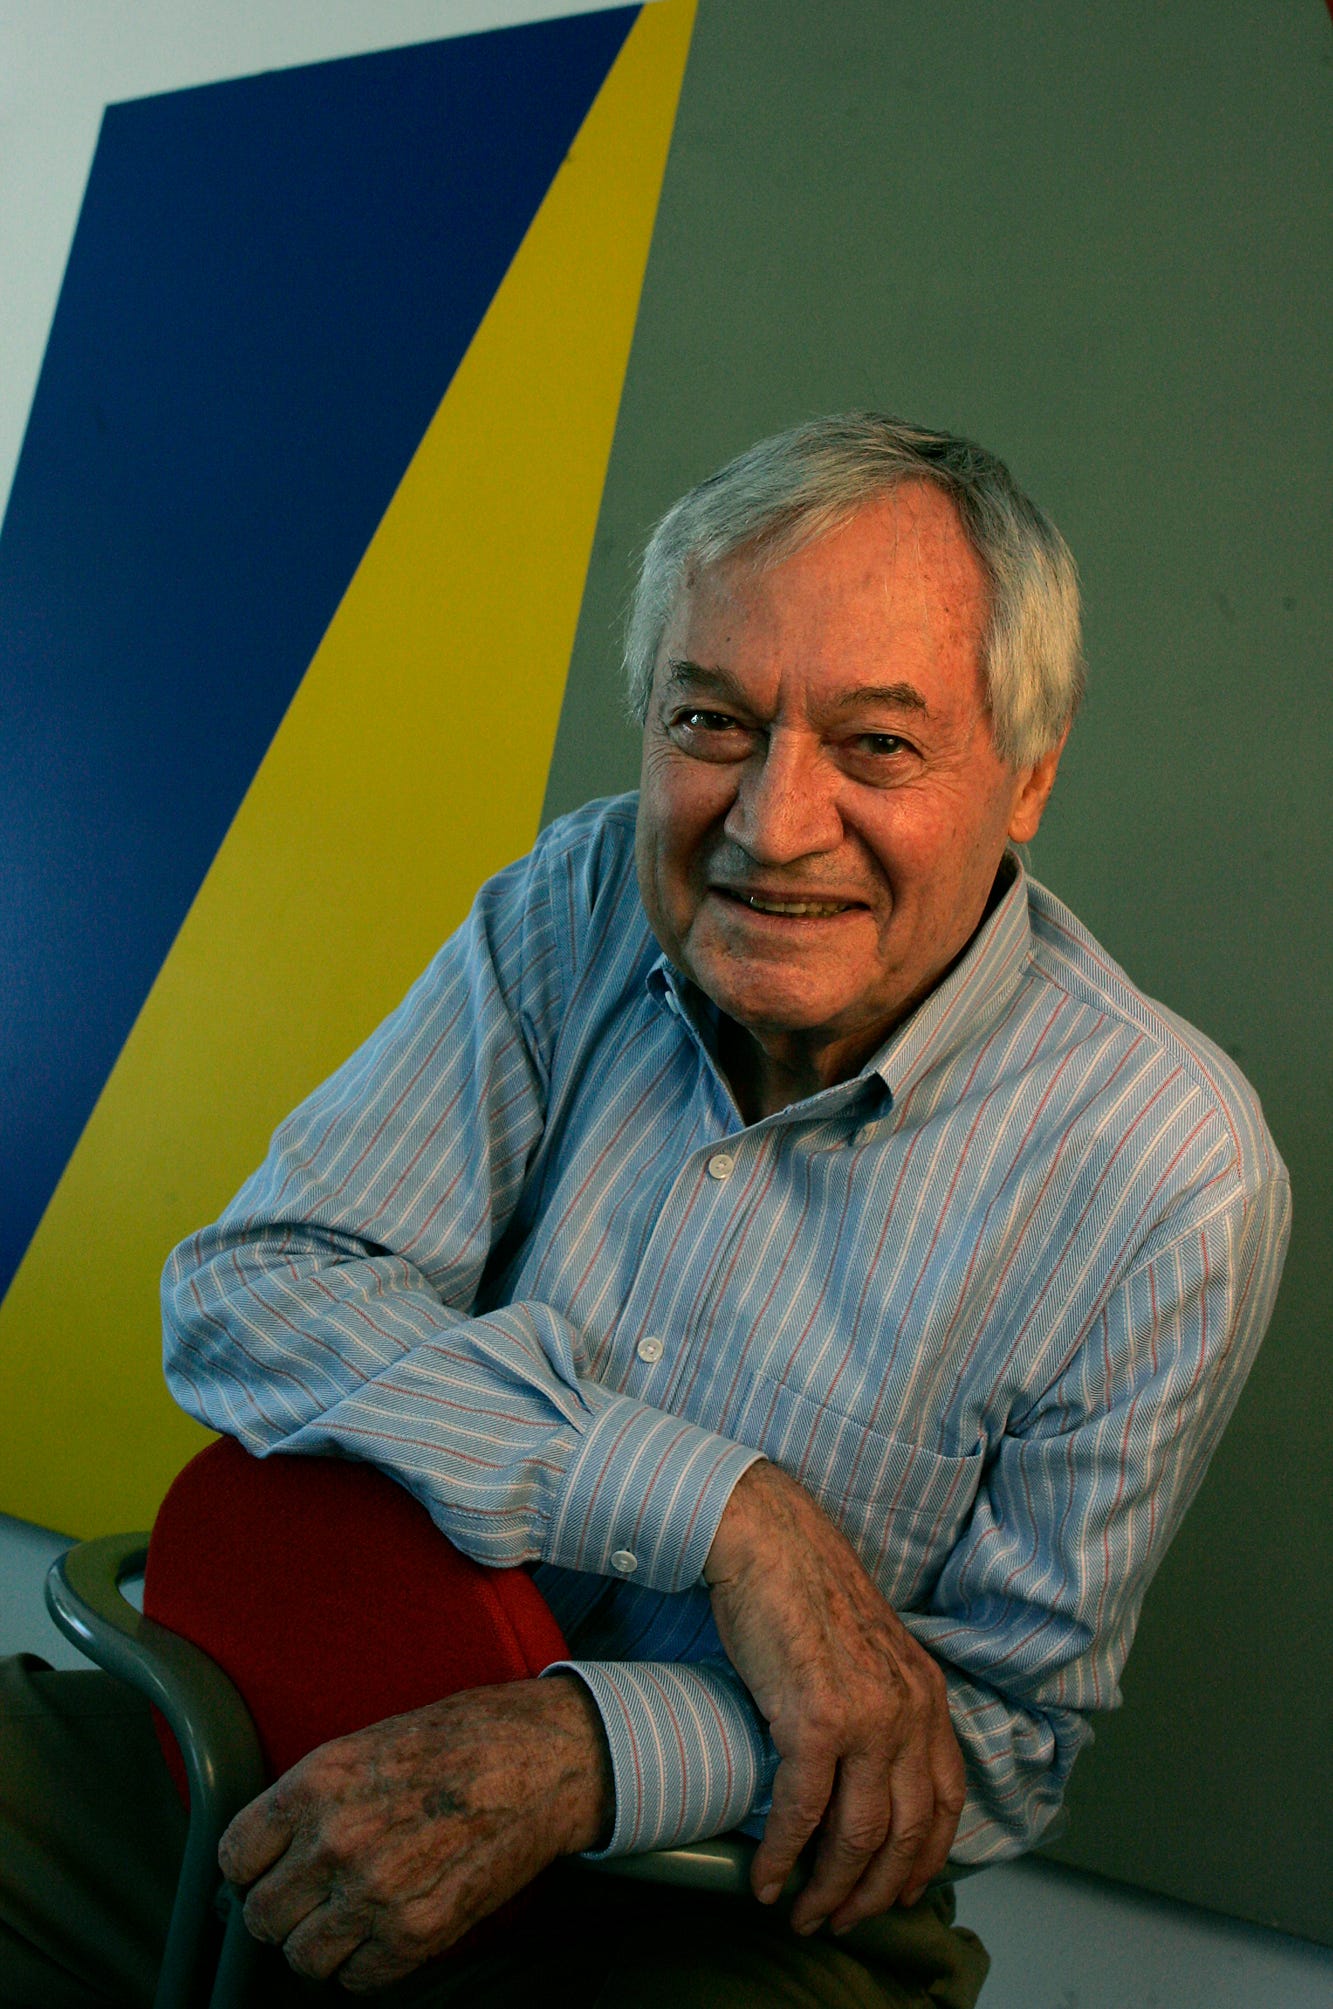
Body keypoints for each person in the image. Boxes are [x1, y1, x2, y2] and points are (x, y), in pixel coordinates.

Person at [0, 414, 1289, 2008]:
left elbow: (1002, 1740)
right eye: (712, 720)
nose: (768, 820)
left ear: (1025, 775)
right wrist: (727, 1509)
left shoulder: (1170, 1170)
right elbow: (257, 1289)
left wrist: (583, 1745)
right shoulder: (576, 895)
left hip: (734, 1905)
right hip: (306, 1719)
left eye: (875, 744)